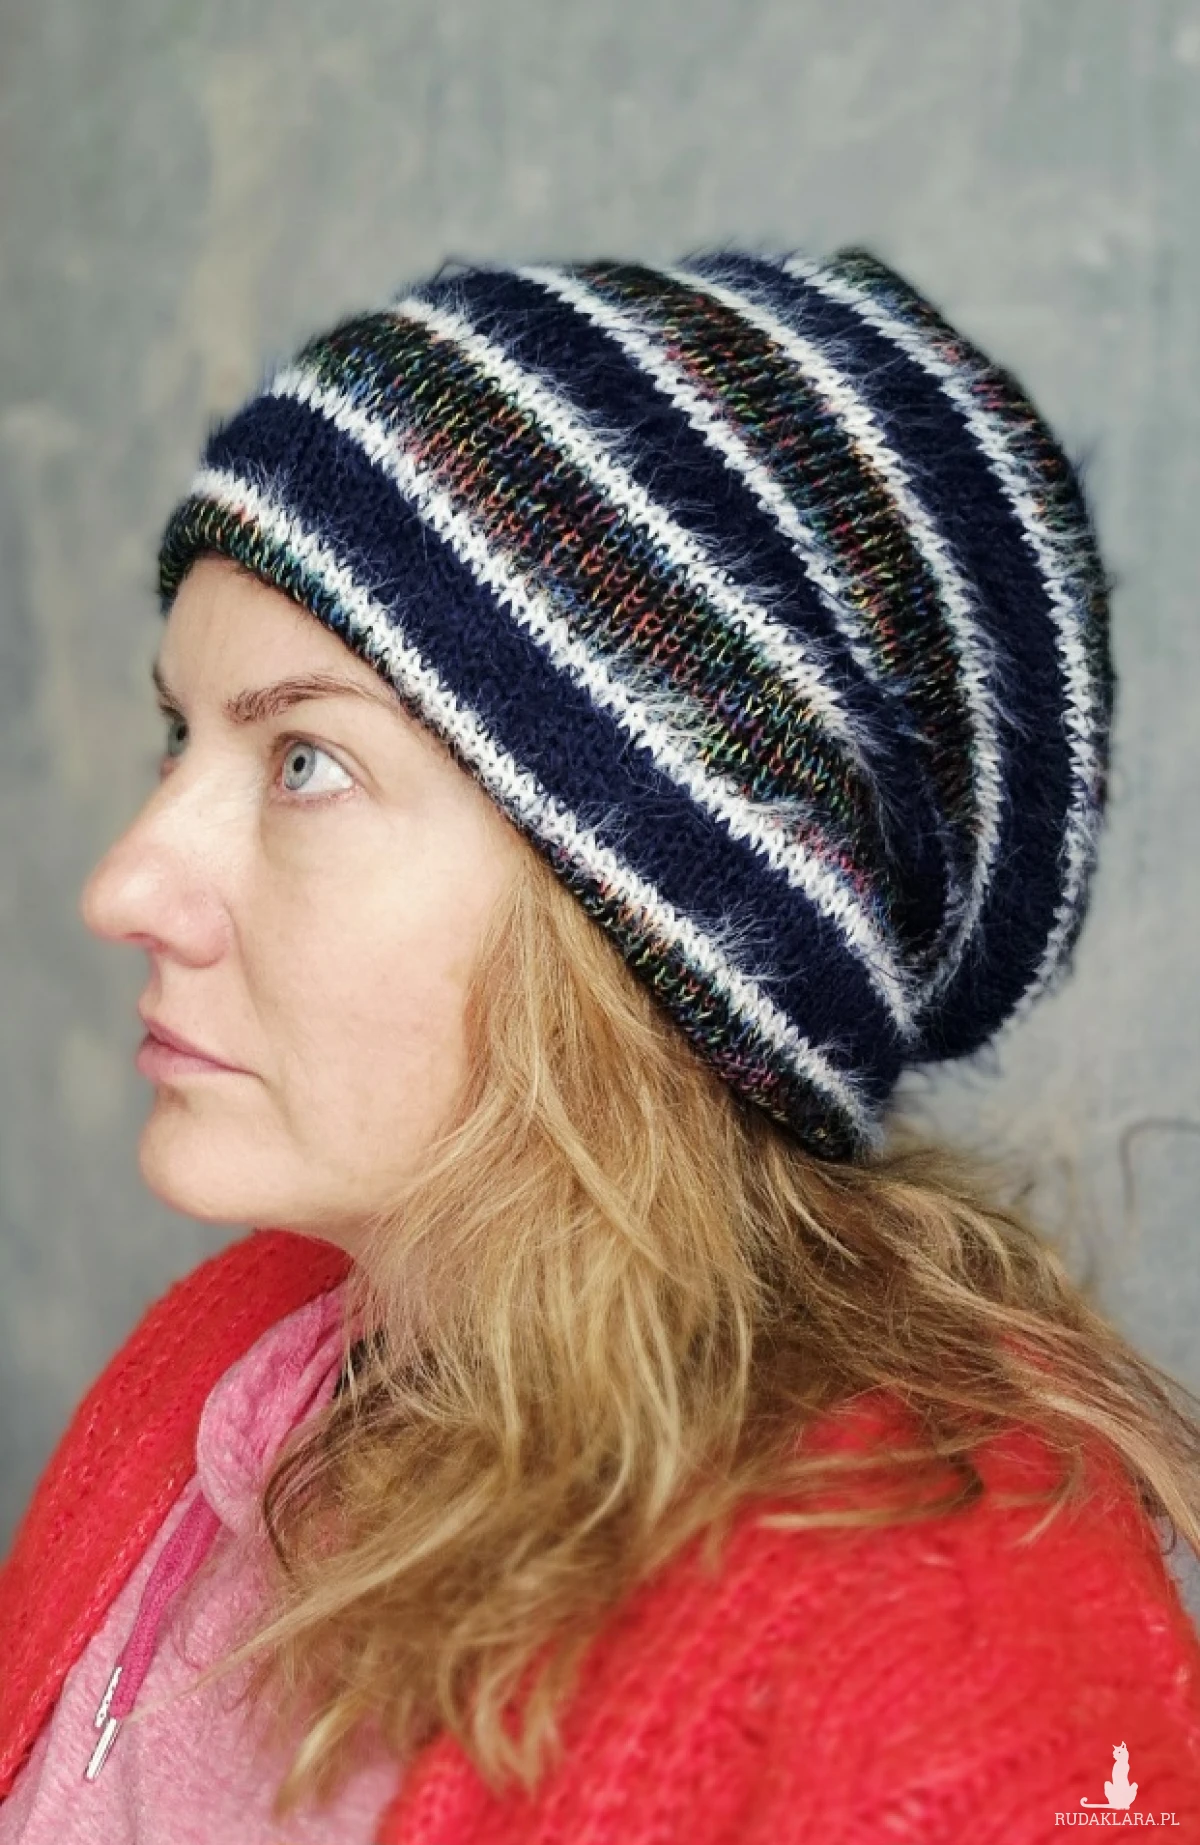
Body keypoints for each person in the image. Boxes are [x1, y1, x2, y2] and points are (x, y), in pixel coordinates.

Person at [2, 245, 1199, 1843]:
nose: (125, 886)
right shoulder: (225, 1355)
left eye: (304, 761)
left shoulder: (959, 1665)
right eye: (182, 733)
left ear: (652, 925)